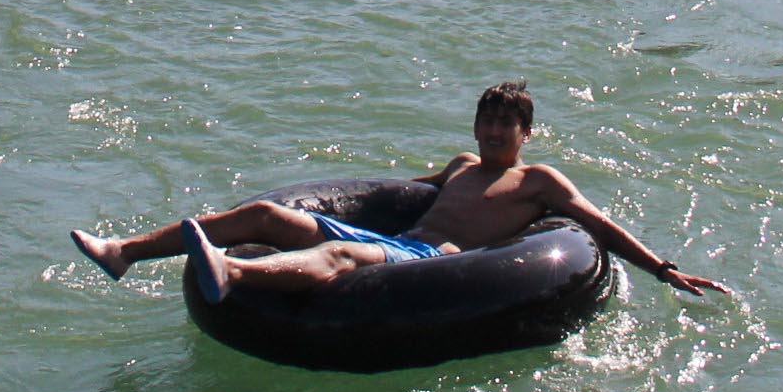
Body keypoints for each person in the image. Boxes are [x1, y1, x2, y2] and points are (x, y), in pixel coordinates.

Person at [70, 81, 730, 302]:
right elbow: (391, 194)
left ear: (528, 134)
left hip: (434, 263)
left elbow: (601, 228)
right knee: (271, 214)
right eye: (489, 120)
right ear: (477, 125)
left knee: (341, 262)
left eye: (509, 124)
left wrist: (665, 271)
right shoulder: (461, 165)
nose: (497, 131)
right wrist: (340, 210)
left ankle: (234, 275)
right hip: (394, 238)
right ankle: (125, 252)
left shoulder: (539, 183)